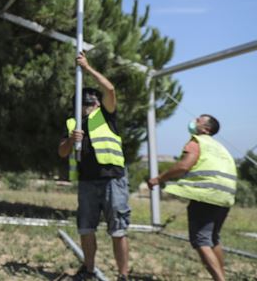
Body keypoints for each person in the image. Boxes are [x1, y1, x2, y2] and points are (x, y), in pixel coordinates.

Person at [58, 52, 130, 281]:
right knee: (86, 228)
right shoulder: (72, 123)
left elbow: (110, 90)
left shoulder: (106, 115)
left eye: (93, 100)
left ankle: (123, 275)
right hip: (87, 181)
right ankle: (88, 270)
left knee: (118, 230)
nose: (91, 103)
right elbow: (61, 151)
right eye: (87, 101)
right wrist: (71, 139)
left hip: (113, 179)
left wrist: (87, 68)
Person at [147, 114, 237, 281]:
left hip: (207, 195)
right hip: (225, 196)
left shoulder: (197, 141)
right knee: (213, 239)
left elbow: (184, 165)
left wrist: (158, 179)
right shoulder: (219, 147)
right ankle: (221, 276)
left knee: (201, 240)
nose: (193, 121)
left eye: (198, 120)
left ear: (205, 129)